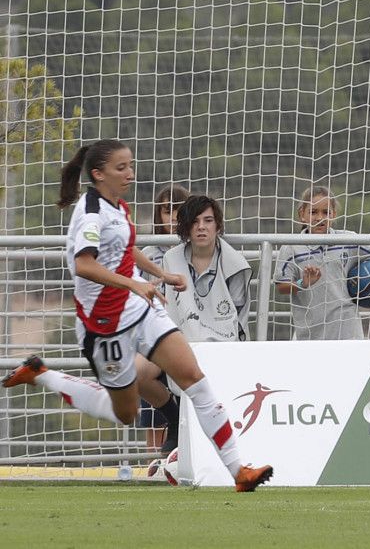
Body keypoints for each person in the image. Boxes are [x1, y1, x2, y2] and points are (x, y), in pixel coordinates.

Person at [1, 140, 273, 492]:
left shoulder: (118, 206)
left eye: (130, 165)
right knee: (124, 414)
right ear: (98, 174)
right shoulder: (89, 213)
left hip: (139, 308)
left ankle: (239, 471)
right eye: (121, 168)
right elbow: (84, 265)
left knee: (193, 377)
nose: (130, 173)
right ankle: (43, 375)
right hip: (103, 325)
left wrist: (161, 276)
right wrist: (134, 283)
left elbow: (126, 250)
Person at [274, 186, 370, 340]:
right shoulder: (291, 246)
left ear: (334, 215)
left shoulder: (347, 240)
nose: (320, 218)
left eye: (326, 212)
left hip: (347, 329)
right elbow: (281, 285)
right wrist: (303, 282)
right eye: (313, 212)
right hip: (309, 333)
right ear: (302, 215)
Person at [137, 184, 190, 454]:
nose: (172, 217)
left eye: (178, 210)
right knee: (153, 416)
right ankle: (153, 467)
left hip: (189, 339)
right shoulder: (147, 255)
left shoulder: (196, 250)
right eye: (166, 210)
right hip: (155, 339)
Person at [163, 195, 252, 342]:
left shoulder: (236, 264)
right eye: (194, 221)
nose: (201, 227)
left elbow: (238, 316)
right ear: (186, 226)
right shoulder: (171, 259)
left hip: (224, 347)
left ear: (217, 225)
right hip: (181, 346)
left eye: (208, 220)